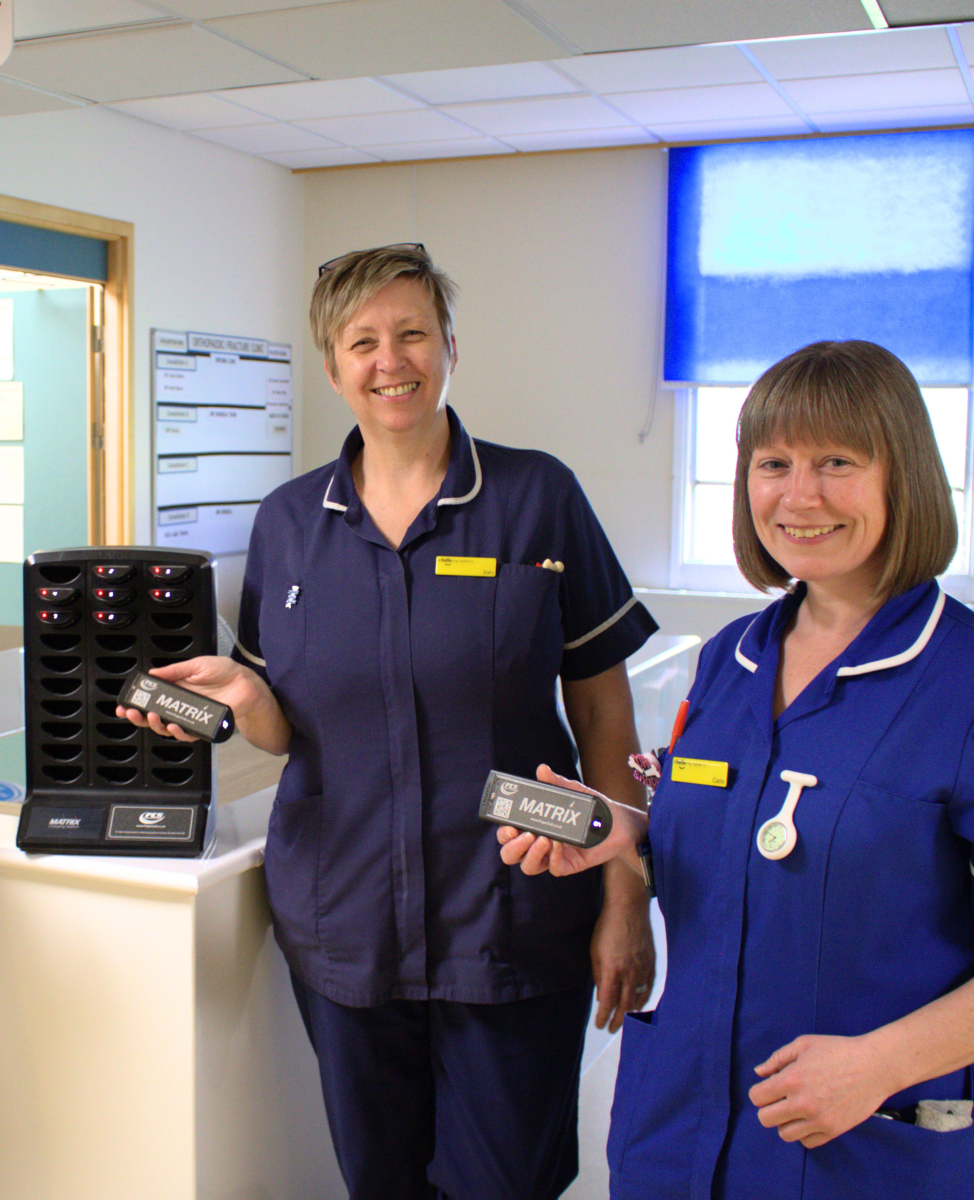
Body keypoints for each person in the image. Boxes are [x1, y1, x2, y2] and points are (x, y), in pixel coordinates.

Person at [502, 339, 974, 1199]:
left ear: (900, 474)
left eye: (838, 461)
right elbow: (732, 856)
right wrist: (618, 838)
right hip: (677, 1132)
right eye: (773, 462)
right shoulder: (730, 662)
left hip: (860, 1148)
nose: (800, 495)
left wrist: (881, 1064)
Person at [121, 243, 658, 1199]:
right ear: (333, 367)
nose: (390, 360)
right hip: (346, 923)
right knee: (380, 1181)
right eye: (361, 341)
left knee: (508, 1181)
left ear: (450, 345)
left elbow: (602, 705)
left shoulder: (538, 499)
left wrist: (625, 893)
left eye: (411, 332)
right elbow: (291, 724)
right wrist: (248, 705)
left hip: (512, 916)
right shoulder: (288, 523)